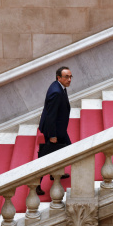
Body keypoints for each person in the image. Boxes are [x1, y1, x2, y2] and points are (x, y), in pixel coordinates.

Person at [36, 66, 73, 195]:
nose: (69, 79)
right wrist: (52, 135)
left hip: (59, 129)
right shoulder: (56, 92)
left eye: (70, 76)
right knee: (46, 157)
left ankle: (55, 173)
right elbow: (51, 116)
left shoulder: (59, 87)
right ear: (59, 78)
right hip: (54, 131)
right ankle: (36, 184)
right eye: (66, 77)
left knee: (65, 151)